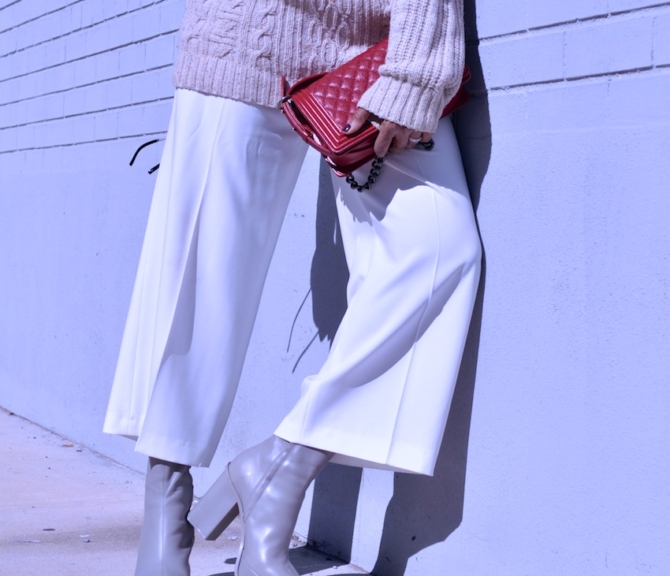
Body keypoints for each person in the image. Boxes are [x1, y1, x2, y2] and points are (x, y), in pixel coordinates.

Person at [103, 1, 481, 575]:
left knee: (438, 250)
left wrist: (416, 70)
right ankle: (165, 503)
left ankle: (279, 470)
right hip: (240, 29)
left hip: (375, 48)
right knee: (197, 278)